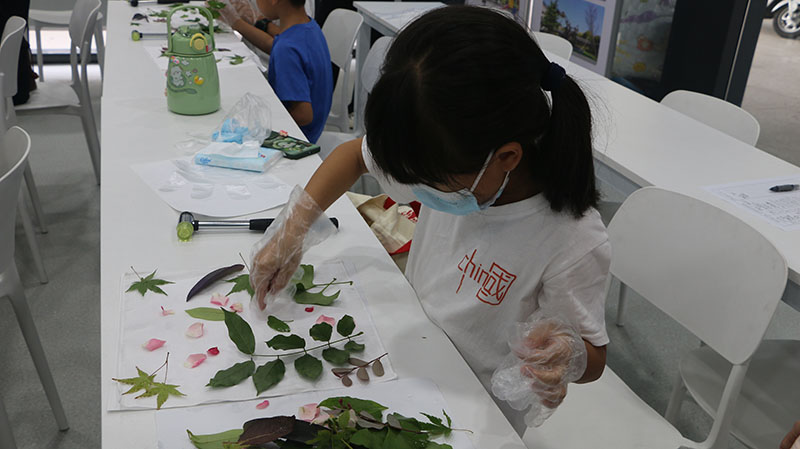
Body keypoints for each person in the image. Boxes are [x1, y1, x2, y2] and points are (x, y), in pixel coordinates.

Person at [249, 6, 609, 434]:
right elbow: (353, 156)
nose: (415, 190)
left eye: (429, 183)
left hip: (470, 411)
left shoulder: (571, 240)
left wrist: (566, 356)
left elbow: (593, 358)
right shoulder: (446, 154)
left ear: (507, 157)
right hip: (407, 354)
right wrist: (291, 232)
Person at [216, 0, 333, 143]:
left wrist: (260, 125)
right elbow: (277, 44)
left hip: (296, 139)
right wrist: (239, 22)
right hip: (314, 130)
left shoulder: (286, 49)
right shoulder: (309, 26)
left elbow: (304, 115)